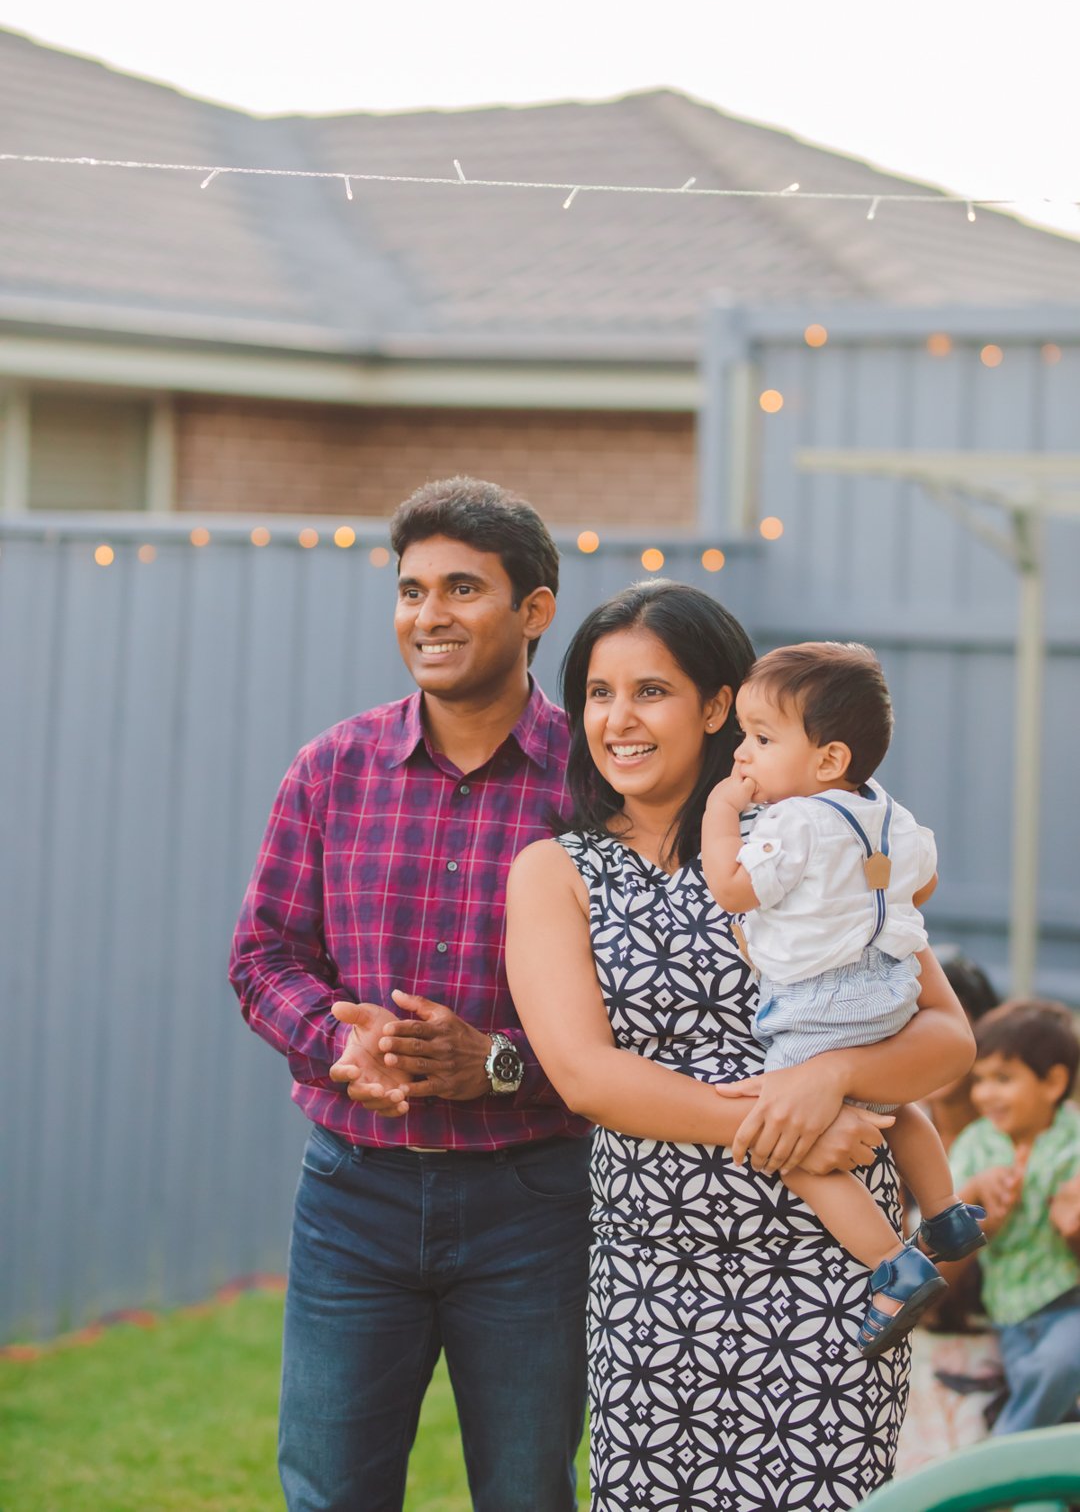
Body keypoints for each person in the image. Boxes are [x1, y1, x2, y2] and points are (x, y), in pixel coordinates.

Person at [506, 581, 976, 1512]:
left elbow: (946, 1038)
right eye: (599, 694)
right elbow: (585, 1076)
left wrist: (830, 1077)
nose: (618, 719)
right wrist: (775, 1120)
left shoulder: (810, 835)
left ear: (718, 706)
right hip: (657, 1279)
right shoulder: (556, 870)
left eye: (651, 691)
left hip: (837, 1278)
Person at [229, 477, 592, 1512]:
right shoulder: (334, 769)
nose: (427, 616)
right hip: (354, 1196)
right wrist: (335, 1045)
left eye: (462, 588)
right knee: (331, 1493)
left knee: (527, 1493)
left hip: (535, 1205)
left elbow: (646, 1004)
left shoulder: (593, 787)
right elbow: (263, 953)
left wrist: (502, 1064)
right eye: (411, 590)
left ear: (534, 610)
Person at [700, 643, 985, 1357]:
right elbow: (922, 884)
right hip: (888, 987)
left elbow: (732, 887)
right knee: (895, 1110)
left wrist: (721, 807)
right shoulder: (886, 809)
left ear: (827, 760)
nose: (745, 756)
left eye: (762, 739)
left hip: (816, 1006)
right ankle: (946, 1215)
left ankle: (894, 1265)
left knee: (795, 1150)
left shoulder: (793, 822)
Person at [894, 953, 1004, 1475]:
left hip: (1006, 1362)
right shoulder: (893, 1128)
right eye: (908, 1022)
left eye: (939, 1019)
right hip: (916, 1367)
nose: (923, 1042)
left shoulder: (1023, 1136)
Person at [948, 998, 1080, 1434]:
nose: (985, 1094)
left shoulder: (1074, 1141)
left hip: (1068, 1304)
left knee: (1058, 1367)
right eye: (980, 1079)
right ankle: (1035, 1494)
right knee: (1047, 1399)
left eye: (1003, 1079)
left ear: (1053, 1082)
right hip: (1009, 1315)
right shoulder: (976, 1145)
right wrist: (975, 1206)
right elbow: (943, 1219)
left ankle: (998, 1459)